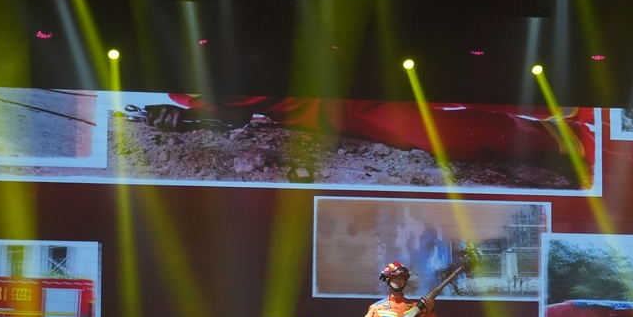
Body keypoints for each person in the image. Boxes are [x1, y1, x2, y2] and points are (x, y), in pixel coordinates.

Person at [144, 95, 598, 184]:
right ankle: (564, 139)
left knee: (473, 80)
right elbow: (232, 113)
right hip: (341, 108)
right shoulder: (186, 89)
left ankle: (571, 105)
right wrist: (190, 118)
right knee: (452, 134)